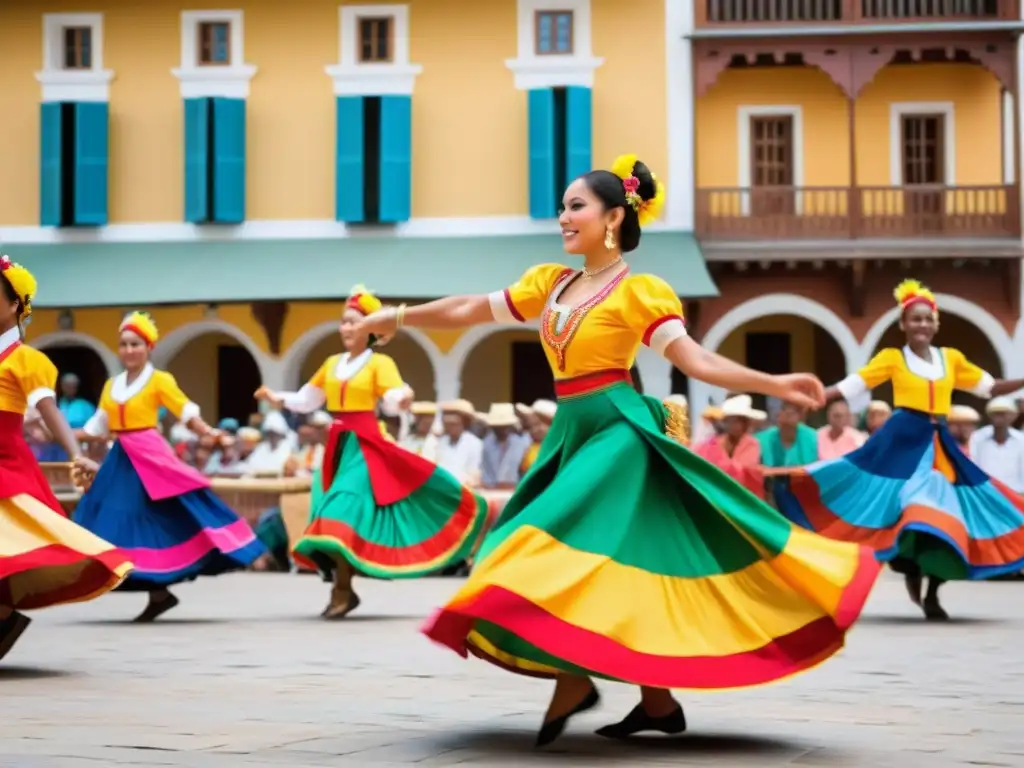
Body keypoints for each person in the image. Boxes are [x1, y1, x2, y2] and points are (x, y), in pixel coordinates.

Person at [355, 155, 879, 745]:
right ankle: (656, 703)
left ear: (612, 218)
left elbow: (696, 361)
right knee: (603, 559)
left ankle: (574, 678)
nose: (562, 217)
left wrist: (773, 383)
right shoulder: (549, 283)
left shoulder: (639, 292)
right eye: (561, 206)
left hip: (619, 432)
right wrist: (397, 317)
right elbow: (471, 308)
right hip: (571, 433)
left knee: (543, 542)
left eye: (575, 206)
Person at [775, 279, 1024, 620]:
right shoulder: (892, 358)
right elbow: (852, 386)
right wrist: (811, 396)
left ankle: (933, 591)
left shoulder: (950, 359)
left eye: (927, 319)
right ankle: (909, 569)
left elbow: (991, 387)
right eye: (915, 319)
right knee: (906, 509)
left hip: (938, 445)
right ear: (903, 325)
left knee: (946, 513)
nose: (921, 324)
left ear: (936, 325)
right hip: (900, 443)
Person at [254, 286, 489, 620]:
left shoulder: (380, 363)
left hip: (366, 444)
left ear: (371, 328)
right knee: (333, 512)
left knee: (343, 509)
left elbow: (393, 396)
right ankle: (345, 589)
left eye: (353, 322)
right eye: (343, 323)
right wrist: (276, 397)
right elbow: (308, 399)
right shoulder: (331, 364)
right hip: (338, 447)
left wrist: (403, 397)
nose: (346, 328)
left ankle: (341, 590)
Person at [73, 311, 265, 622]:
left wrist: (210, 433)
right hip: (121, 458)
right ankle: (158, 593)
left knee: (159, 513)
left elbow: (185, 411)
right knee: (118, 515)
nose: (129, 350)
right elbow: (96, 427)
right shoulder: (112, 386)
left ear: (149, 347)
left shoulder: (159, 380)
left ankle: (161, 589)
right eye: (123, 344)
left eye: (135, 343)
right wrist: (52, 427)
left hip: (150, 455)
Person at [0, 256, 133, 660]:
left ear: (14, 306)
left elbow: (47, 409)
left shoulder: (26, 360)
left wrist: (76, 454)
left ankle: (5, 617)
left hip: (6, 467)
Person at [693, 394, 767, 499]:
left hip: (743, 499)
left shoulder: (751, 444)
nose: (738, 425)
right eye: (734, 420)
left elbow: (742, 472)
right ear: (726, 421)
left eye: (742, 420)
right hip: (714, 498)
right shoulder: (710, 445)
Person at [969, 397, 1024, 492]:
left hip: (1015, 493)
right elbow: (974, 464)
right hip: (987, 492)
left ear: (1013, 416)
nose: (999, 417)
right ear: (989, 416)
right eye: (995, 413)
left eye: (1003, 414)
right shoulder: (977, 437)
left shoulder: (1021, 439)